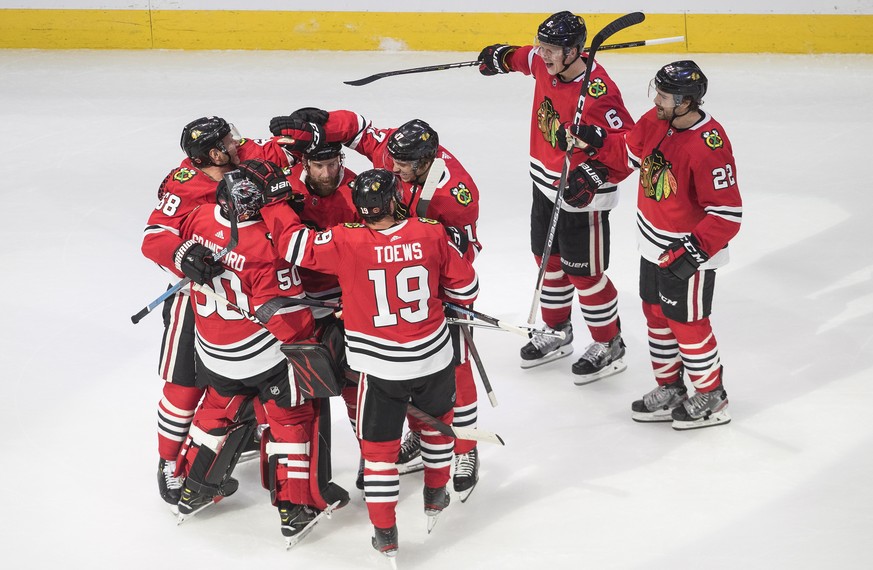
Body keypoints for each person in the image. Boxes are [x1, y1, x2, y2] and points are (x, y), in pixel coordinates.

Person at [254, 165, 479, 559]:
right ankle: (435, 494)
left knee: (379, 456)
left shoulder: (346, 240)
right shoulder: (431, 232)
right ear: (393, 200)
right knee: (438, 429)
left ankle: (386, 533)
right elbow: (467, 288)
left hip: (380, 370)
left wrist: (274, 203)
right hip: (433, 359)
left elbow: (293, 245)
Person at [271, 110, 484, 499]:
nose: (394, 167)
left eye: (403, 164)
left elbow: (463, 252)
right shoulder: (393, 155)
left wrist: (441, 294)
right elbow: (356, 127)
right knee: (396, 377)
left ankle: (466, 449)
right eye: (394, 160)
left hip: (434, 281)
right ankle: (422, 439)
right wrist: (321, 125)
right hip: (393, 276)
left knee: (455, 366)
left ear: (427, 161)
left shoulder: (455, 195)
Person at [141, 115, 320, 508]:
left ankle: (228, 442)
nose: (238, 141)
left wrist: (303, 129)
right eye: (227, 140)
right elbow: (154, 235)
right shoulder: (183, 184)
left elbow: (282, 148)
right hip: (197, 298)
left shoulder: (243, 155)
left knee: (243, 376)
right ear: (213, 153)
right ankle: (170, 462)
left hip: (248, 297)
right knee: (184, 383)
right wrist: (181, 254)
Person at [172, 163, 349, 542]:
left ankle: (193, 487)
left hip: (212, 349)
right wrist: (317, 335)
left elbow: (176, 250)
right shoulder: (267, 243)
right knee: (293, 416)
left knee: (217, 408)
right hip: (262, 355)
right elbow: (287, 316)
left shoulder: (200, 217)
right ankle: (294, 506)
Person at [568, 60, 740, 429]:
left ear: (686, 102)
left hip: (687, 253)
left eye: (664, 95)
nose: (656, 99)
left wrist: (693, 252)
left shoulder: (709, 145)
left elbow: (727, 213)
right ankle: (671, 387)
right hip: (652, 244)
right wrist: (596, 142)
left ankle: (712, 395)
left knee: (688, 324)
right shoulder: (656, 120)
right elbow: (629, 152)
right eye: (657, 91)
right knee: (656, 316)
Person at [477, 11, 634, 383]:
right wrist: (499, 57)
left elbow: (631, 150)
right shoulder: (544, 63)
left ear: (575, 51)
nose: (543, 55)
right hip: (545, 185)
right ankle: (557, 331)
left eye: (552, 49)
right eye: (542, 46)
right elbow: (523, 58)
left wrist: (595, 168)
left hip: (583, 200)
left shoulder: (598, 91)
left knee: (585, 275)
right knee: (547, 261)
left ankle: (610, 343)